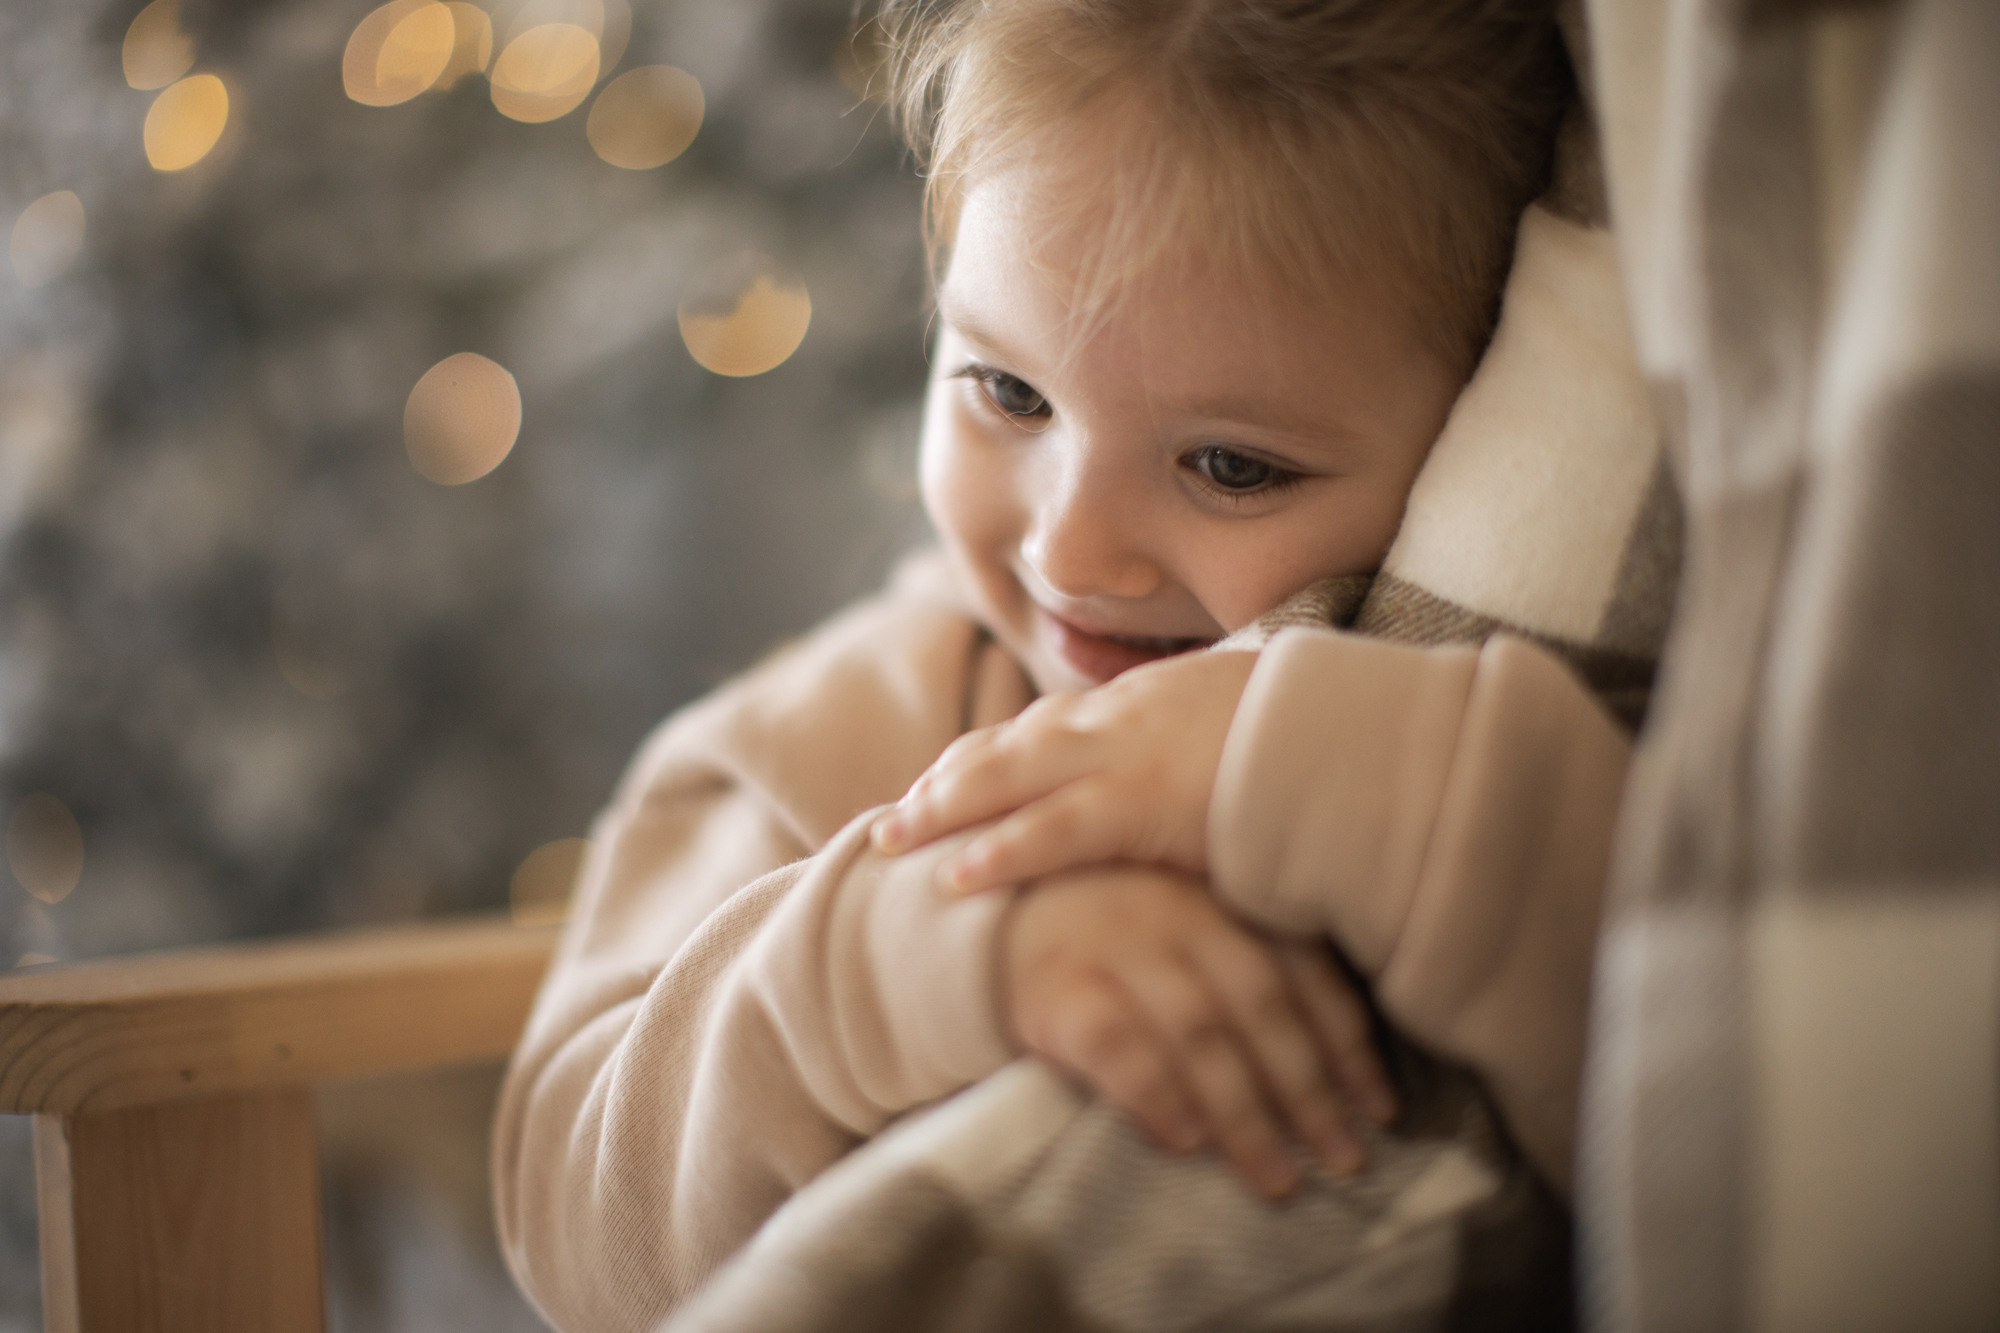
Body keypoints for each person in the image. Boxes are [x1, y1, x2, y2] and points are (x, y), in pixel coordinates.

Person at [492, 2, 1616, 1328]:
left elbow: (1731, 1089)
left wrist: (1362, 778)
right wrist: (880, 968)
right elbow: (561, 1222)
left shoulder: (1533, 731)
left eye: (1233, 465)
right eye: (1007, 390)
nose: (1073, 551)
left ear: (1484, 434)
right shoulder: (821, 746)